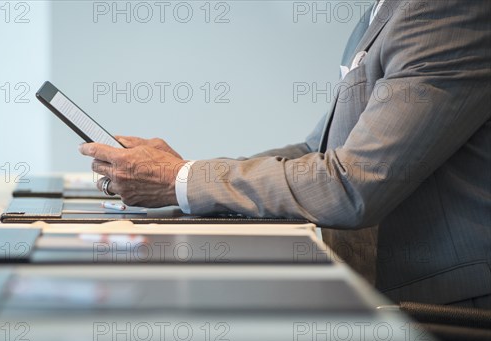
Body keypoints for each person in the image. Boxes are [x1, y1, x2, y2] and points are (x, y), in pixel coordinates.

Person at [79, 0, 491, 309]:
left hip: (445, 312)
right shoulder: (383, 14)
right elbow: (316, 151)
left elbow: (352, 184)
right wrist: (184, 175)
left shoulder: (447, 10)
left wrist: (180, 180)